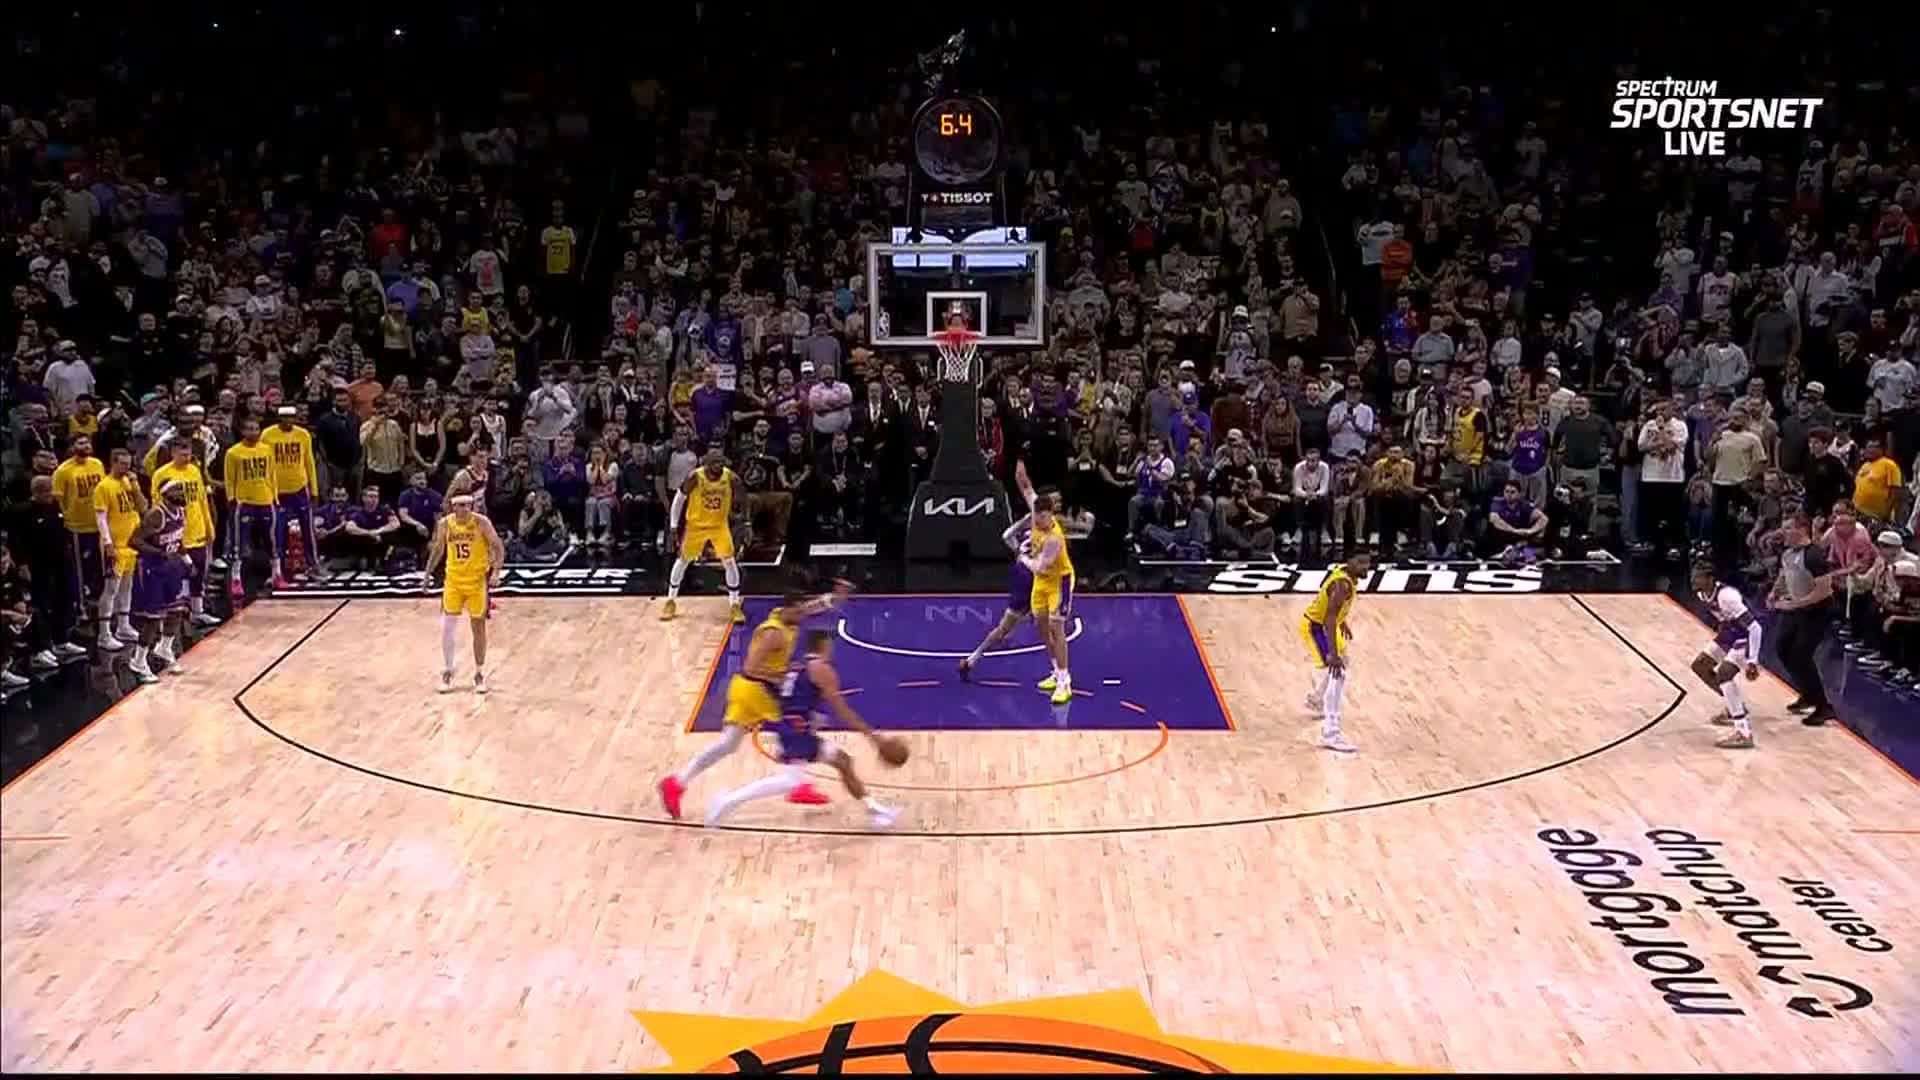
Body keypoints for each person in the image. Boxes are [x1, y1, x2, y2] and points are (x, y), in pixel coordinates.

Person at [657, 577, 852, 819]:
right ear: (788, 609)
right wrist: (782, 676)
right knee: (797, 722)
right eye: (798, 611)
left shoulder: (787, 615)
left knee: (728, 744)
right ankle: (797, 783)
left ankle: (676, 783)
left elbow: (812, 607)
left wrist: (835, 597)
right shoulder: (773, 633)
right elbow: (751, 667)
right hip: (755, 688)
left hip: (749, 689)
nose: (803, 614)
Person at [704, 629, 902, 829]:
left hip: (794, 727)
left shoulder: (796, 666)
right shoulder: (822, 670)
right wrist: (873, 736)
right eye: (830, 645)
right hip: (796, 730)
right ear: (824, 645)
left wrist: (809, 716)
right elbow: (842, 710)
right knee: (789, 781)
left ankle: (876, 812)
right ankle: (727, 802)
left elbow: (785, 695)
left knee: (843, 761)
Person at [959, 462, 1039, 681]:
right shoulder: (1041, 524)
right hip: (1032, 577)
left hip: (1027, 574)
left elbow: (1007, 536)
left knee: (1012, 626)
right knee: (1049, 623)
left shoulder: (1035, 528)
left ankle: (972, 659)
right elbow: (1026, 488)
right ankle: (1060, 674)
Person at [423, 491, 506, 694]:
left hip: (477, 581)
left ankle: (479, 672)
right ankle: (448, 670)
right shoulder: (445, 524)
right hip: (454, 581)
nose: (465, 509)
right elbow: (438, 549)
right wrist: (427, 573)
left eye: (469, 505)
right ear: (453, 507)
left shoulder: (481, 522)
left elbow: (498, 546)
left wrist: (496, 572)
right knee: (447, 627)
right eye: (461, 505)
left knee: (478, 627)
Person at [1768, 511, 1840, 727]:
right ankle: (1807, 693)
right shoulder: (1788, 553)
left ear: (1802, 530)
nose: (1783, 532)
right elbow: (1785, 574)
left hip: (1817, 611)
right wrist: (1774, 592)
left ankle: (1824, 706)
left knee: (1801, 654)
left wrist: (1794, 604)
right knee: (1782, 648)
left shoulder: (1814, 556)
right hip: (1797, 608)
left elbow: (1824, 591)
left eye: (1788, 528)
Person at [660, 450, 746, 623]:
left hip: (719, 526)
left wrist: (747, 522)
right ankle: (670, 601)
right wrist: (674, 526)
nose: (719, 466)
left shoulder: (731, 478)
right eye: (715, 463)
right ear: (706, 464)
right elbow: (679, 500)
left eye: (721, 463)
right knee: (683, 560)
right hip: (696, 526)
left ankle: (734, 604)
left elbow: (743, 498)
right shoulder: (695, 477)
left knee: (729, 561)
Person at [124, 480, 195, 684]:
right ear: (165, 493)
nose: (181, 493)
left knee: (177, 611)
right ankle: (138, 661)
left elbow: (177, 540)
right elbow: (133, 541)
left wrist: (187, 561)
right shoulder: (156, 514)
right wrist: (159, 553)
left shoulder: (181, 512)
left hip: (171, 568)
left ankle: (164, 648)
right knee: (153, 618)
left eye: (182, 489)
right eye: (176, 489)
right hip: (151, 569)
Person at [1302, 550, 1372, 753]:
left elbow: (1331, 608)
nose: (1365, 567)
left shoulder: (1344, 575)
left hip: (1324, 623)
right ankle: (1330, 733)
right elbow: (1329, 618)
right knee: (1337, 672)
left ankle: (1316, 700)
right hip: (1317, 627)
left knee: (1344, 661)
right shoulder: (1342, 585)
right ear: (1349, 562)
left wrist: (1343, 622)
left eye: (1368, 563)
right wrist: (1332, 654)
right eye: (1360, 562)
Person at [1688, 561, 1763, 750]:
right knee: (1701, 666)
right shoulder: (1702, 594)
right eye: (1693, 576)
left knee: (1724, 674)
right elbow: (1724, 618)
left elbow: (1755, 627)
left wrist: (1753, 661)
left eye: (1698, 577)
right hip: (1730, 632)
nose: (1693, 580)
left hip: (1746, 635)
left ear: (1710, 579)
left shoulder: (1727, 596)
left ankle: (1743, 732)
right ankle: (1734, 706)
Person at [150, 438, 220, 627]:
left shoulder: (194, 471)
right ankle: (176, 615)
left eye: (188, 454)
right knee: (177, 576)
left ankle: (198, 612)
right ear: (173, 453)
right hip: (176, 533)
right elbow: (157, 505)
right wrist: (163, 531)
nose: (186, 457)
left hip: (197, 530)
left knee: (199, 573)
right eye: (182, 454)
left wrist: (209, 526)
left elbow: (202, 500)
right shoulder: (161, 474)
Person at [1024, 492, 1077, 705]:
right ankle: (1056, 671)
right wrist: (1020, 475)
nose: (1040, 522)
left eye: (1044, 518)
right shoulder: (1035, 517)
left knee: (1057, 627)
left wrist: (1022, 557)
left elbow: (1039, 566)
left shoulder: (1054, 538)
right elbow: (1027, 490)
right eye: (1038, 518)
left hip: (1059, 582)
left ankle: (1065, 681)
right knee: (1041, 626)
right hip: (1041, 583)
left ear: (1050, 515)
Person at [90, 448, 145, 651]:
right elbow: (101, 518)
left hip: (131, 544)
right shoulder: (103, 487)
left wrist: (136, 486)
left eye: (129, 464)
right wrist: (107, 543)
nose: (126, 468)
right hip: (115, 545)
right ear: (112, 463)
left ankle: (124, 626)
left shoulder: (129, 482)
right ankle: (104, 634)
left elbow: (143, 507)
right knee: (111, 589)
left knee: (126, 586)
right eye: (122, 464)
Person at [51, 435, 106, 632]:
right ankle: (82, 611)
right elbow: (57, 500)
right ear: (72, 447)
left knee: (99, 570)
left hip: (98, 525)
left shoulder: (97, 464)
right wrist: (66, 519)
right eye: (81, 443)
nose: (86, 446)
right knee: (80, 573)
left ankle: (100, 609)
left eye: (87, 442)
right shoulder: (63, 470)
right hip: (77, 528)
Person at [261, 406, 320, 584]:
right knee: (276, 532)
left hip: (300, 488)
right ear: (279, 418)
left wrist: (314, 489)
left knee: (307, 529)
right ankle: (276, 570)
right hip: (277, 491)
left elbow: (309, 462)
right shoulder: (267, 435)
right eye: (285, 417)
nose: (288, 420)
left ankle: (313, 566)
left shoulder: (303, 434)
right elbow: (264, 463)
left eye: (291, 417)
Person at [222, 417, 280, 590]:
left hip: (266, 500)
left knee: (271, 540)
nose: (253, 432)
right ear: (243, 431)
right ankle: (236, 579)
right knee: (239, 542)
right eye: (249, 429)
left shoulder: (267, 450)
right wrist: (231, 499)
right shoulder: (233, 452)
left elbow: (272, 475)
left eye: (256, 429)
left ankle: (277, 575)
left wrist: (275, 497)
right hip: (244, 502)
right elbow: (229, 478)